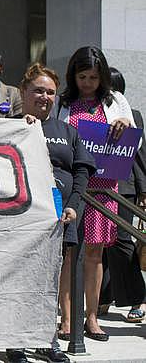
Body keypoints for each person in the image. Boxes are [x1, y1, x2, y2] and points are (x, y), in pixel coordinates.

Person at [7, 63, 94, 363]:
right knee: (18, 279)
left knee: (50, 280)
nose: (44, 97)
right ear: (23, 92)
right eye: (38, 91)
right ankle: (16, 342)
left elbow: (82, 172)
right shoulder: (8, 124)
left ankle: (47, 340)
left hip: (59, 216)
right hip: (19, 217)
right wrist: (22, 127)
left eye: (50, 92)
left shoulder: (68, 131)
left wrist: (73, 205)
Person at [56, 46, 135, 342]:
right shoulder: (63, 103)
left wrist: (125, 125)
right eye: (82, 76)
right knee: (68, 252)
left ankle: (91, 316)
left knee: (94, 253)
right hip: (72, 184)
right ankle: (66, 317)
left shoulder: (116, 100)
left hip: (104, 186)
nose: (88, 83)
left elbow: (133, 143)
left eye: (93, 77)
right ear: (73, 76)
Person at [99, 67, 146, 323]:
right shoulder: (90, 111)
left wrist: (143, 188)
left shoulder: (131, 114)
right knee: (99, 245)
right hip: (96, 185)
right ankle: (104, 296)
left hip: (124, 186)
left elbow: (140, 154)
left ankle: (137, 297)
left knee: (121, 241)